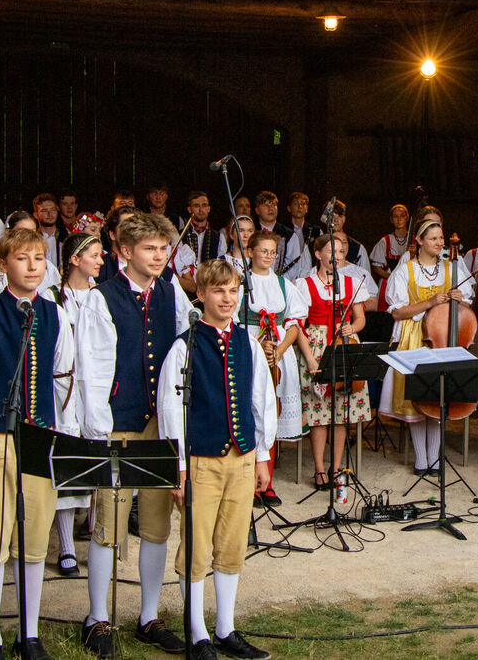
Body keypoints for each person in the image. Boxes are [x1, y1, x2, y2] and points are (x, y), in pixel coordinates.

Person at [0, 227, 76, 660]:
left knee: (34, 540)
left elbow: (63, 379)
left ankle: (29, 631)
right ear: (3, 266)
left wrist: (62, 437)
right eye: (22, 259)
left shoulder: (54, 314)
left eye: (39, 259)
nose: (32, 267)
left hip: (39, 439)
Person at [76, 212, 194, 656]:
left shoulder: (171, 292)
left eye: (163, 248)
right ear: (125, 251)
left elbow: (182, 352)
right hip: (117, 421)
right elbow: (91, 371)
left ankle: (148, 616)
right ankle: (96, 618)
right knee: (109, 524)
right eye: (150, 249)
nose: (160, 256)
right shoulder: (100, 298)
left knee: (156, 525)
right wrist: (98, 430)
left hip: (159, 424)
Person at [157, 259, 276, 660]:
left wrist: (261, 456)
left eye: (233, 291)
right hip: (200, 461)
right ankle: (197, 634)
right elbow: (171, 411)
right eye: (219, 291)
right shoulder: (184, 345)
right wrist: (179, 468)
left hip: (241, 456)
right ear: (202, 295)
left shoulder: (247, 342)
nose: (227, 298)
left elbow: (261, 401)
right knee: (196, 547)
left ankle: (225, 628)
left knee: (231, 543)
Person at [380, 220, 474, 475]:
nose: (440, 243)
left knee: (437, 400)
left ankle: (435, 458)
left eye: (441, 238)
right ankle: (421, 459)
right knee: (417, 402)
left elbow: (466, 308)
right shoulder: (405, 270)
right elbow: (397, 312)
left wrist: (461, 300)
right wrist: (429, 302)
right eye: (433, 238)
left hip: (443, 337)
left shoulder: (452, 267)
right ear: (419, 241)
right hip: (414, 337)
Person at [41, 232, 106, 577]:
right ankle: (65, 544)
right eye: (94, 255)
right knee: (67, 461)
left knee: (96, 458)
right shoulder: (51, 296)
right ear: (74, 259)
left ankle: (94, 534)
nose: (100, 261)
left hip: (94, 386)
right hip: (63, 388)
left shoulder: (101, 296)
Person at [236, 230, 308, 508]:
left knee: (271, 414)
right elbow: (232, 322)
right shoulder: (241, 283)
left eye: (272, 252)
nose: (268, 256)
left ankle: (266, 484)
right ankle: (247, 482)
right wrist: (257, 346)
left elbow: (294, 324)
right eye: (263, 251)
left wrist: (278, 351)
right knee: (248, 413)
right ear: (250, 252)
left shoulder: (283, 284)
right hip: (247, 349)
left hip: (278, 354)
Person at [294, 234, 372, 488]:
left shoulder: (351, 282)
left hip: (344, 345)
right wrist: (309, 359)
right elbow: (298, 325)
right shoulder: (304, 284)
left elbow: (360, 319)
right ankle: (319, 468)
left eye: (340, 252)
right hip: (317, 344)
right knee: (318, 413)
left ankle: (336, 467)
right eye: (332, 251)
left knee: (342, 412)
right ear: (318, 254)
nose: (337, 256)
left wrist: (352, 328)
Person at [0, 212, 61, 301]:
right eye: (22, 232)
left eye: (32, 232)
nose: (27, 237)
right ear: (8, 233)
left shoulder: (48, 267)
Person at [370, 204, 410, 312]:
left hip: (408, 283)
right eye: (395, 216)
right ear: (391, 219)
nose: (399, 219)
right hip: (388, 282)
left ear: (407, 218)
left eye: (402, 216)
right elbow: (376, 267)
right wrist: (392, 278)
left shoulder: (414, 241)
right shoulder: (385, 241)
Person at [253, 191, 301, 277]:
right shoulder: (251, 232)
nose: (271, 209)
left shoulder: (289, 235)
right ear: (257, 210)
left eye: (274, 205)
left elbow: (293, 267)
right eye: (266, 205)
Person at [284, 192, 321, 279]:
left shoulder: (316, 231)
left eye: (303, 204)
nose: (300, 207)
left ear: (307, 209)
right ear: (289, 208)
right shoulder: (283, 230)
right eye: (296, 204)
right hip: (287, 275)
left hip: (310, 274)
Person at [183, 191, 227, 263]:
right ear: (189, 209)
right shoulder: (180, 235)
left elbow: (221, 264)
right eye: (196, 206)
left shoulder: (219, 237)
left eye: (204, 205)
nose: (201, 210)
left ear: (208, 209)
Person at [97, 205, 138, 278]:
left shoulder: (151, 266)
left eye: (136, 227)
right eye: (126, 227)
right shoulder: (98, 268)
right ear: (112, 234)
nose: (132, 232)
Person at [32, 193, 64, 270]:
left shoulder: (64, 237)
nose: (50, 214)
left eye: (53, 210)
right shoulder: (32, 239)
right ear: (36, 215)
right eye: (44, 211)